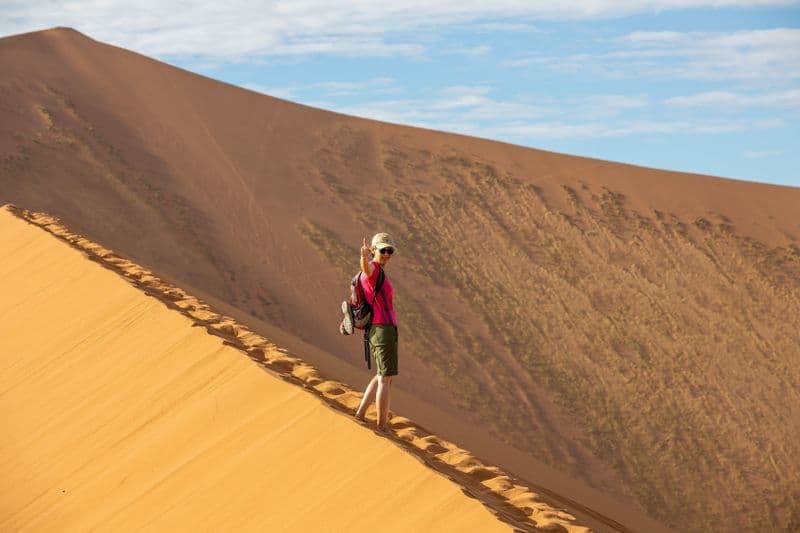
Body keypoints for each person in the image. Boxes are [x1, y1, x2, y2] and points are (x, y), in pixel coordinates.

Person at [354, 232, 398, 434]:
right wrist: (364, 257)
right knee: (385, 379)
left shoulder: (377, 272)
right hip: (383, 329)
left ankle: (361, 413)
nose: (387, 254)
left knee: (382, 374)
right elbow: (367, 268)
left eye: (390, 251)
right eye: (383, 250)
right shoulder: (374, 270)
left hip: (381, 328)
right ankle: (381, 426)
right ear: (374, 250)